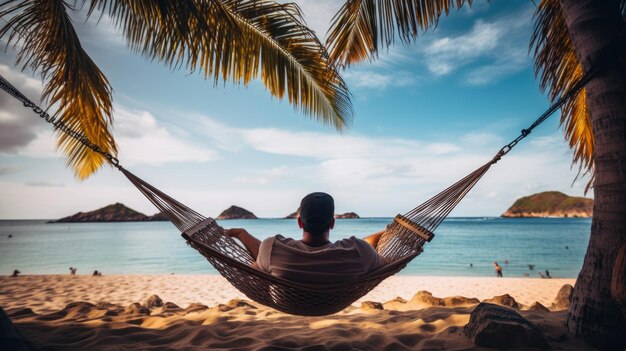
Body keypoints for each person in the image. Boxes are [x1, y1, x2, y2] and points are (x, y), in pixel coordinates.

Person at [226, 192, 387, 284]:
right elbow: (386, 264)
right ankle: (385, 231)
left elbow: (254, 272)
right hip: (333, 300)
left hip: (289, 300)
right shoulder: (357, 250)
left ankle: (241, 233)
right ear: (332, 223)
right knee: (368, 244)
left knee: (266, 256)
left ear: (299, 223)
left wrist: (241, 236)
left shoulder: (272, 247)